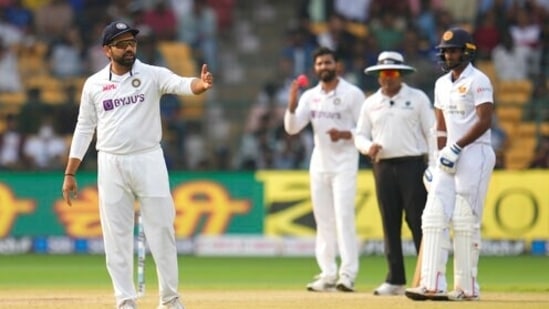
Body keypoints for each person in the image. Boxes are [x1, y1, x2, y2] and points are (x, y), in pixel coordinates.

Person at [61, 21, 213, 309]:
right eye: (121, 44)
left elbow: (181, 83)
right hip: (111, 163)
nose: (129, 48)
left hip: (149, 159)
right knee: (116, 236)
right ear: (107, 50)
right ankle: (125, 300)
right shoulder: (93, 84)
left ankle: (170, 299)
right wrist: (70, 171)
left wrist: (200, 85)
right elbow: (84, 128)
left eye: (132, 42)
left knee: (162, 231)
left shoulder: (152, 74)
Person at [405, 27, 495, 301]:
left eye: (453, 50)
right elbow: (441, 126)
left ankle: (467, 288)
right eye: (444, 50)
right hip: (448, 157)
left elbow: (484, 120)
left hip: (475, 153)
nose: (447, 54)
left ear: (467, 51)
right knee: (432, 216)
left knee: (465, 220)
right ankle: (431, 283)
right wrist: (437, 158)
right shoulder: (441, 83)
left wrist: (457, 147)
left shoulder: (479, 80)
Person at [354, 51, 435, 296]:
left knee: (418, 222)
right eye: (383, 74)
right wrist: (369, 147)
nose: (388, 78)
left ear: (400, 74)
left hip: (413, 165)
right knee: (390, 223)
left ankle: (428, 276)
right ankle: (395, 279)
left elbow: (431, 132)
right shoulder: (371, 103)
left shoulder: (417, 98)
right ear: (378, 77)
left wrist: (433, 165)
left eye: (392, 73)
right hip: (383, 167)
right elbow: (359, 135)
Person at [284, 46, 364, 292]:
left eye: (328, 63)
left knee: (343, 218)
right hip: (319, 164)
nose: (323, 67)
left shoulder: (353, 94)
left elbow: (366, 130)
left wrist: (344, 133)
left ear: (337, 65)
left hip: (345, 163)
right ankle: (328, 273)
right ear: (314, 67)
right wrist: (292, 102)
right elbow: (292, 128)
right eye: (319, 64)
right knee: (323, 221)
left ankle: (347, 274)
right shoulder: (310, 96)